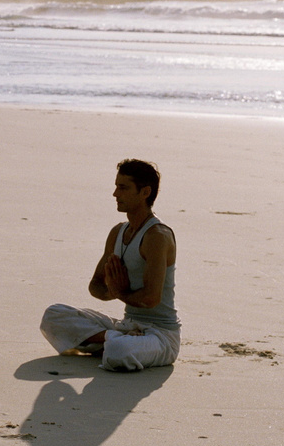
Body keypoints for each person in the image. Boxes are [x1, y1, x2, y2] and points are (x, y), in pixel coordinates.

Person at [39, 158, 180, 371]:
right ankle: (110, 338)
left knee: (119, 351)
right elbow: (95, 286)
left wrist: (120, 292)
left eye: (123, 188)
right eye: (116, 187)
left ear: (145, 192)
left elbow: (151, 298)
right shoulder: (118, 232)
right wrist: (113, 292)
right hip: (126, 327)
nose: (115, 194)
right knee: (53, 315)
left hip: (160, 335)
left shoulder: (157, 236)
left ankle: (111, 343)